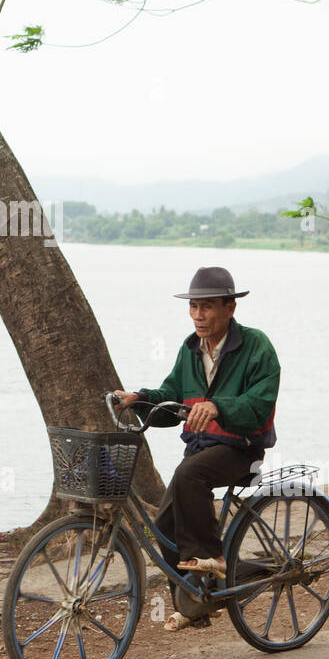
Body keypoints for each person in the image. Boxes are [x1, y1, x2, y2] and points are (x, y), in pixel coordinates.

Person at [114, 265, 279, 631]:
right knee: (165, 529)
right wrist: (138, 399)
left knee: (190, 474)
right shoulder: (190, 350)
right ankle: (197, 602)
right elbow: (171, 398)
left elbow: (260, 403)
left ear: (229, 308)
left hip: (241, 448)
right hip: (201, 449)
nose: (198, 316)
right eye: (193, 308)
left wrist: (220, 406)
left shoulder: (256, 347)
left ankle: (212, 557)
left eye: (207, 307)